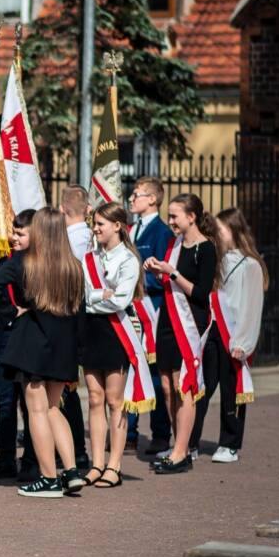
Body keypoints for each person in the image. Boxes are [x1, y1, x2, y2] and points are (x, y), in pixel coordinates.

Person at [0, 208, 85, 498]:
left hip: (33, 342)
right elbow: (82, 312)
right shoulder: (73, 266)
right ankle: (71, 470)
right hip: (63, 345)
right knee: (54, 408)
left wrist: (10, 311)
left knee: (37, 410)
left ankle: (49, 478)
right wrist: (78, 353)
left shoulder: (25, 262)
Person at [143, 193, 219, 475]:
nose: (171, 221)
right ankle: (178, 445)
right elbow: (169, 280)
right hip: (167, 319)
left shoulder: (206, 249)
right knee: (165, 384)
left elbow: (200, 293)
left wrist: (172, 273)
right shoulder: (175, 244)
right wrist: (157, 269)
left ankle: (181, 451)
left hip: (189, 321)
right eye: (170, 215)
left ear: (192, 217)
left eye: (175, 216)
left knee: (182, 384)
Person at [188, 207, 265, 463]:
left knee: (232, 390)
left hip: (233, 336)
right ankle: (190, 440)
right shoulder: (219, 260)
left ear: (232, 230)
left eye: (220, 229)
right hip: (213, 331)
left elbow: (251, 306)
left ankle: (229, 443)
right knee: (202, 386)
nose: (217, 235)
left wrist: (243, 341)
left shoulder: (250, 265)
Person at [80, 202, 147, 489]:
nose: (95, 228)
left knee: (113, 400)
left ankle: (114, 464)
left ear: (117, 226)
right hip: (91, 330)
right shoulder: (88, 258)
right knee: (94, 398)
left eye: (100, 224)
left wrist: (95, 297)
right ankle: (96, 463)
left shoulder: (128, 260)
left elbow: (120, 301)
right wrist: (99, 294)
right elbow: (82, 295)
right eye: (94, 224)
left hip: (115, 331)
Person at [0, 209, 35, 480]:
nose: (13, 237)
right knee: (5, 402)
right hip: (5, 338)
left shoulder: (39, 263)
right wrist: (10, 311)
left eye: (20, 233)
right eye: (13, 231)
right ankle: (7, 458)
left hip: (29, 341)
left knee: (30, 403)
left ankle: (33, 460)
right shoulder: (4, 261)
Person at [127, 177, 173, 453]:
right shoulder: (131, 230)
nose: (132, 198)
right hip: (129, 308)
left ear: (153, 199)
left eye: (137, 194)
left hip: (151, 310)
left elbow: (162, 275)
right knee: (129, 368)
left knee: (155, 372)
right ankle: (129, 432)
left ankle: (159, 433)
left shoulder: (161, 232)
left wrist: (136, 280)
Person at [57, 185, 92, 469]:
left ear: (62, 210)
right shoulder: (91, 237)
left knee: (65, 389)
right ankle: (74, 448)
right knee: (68, 388)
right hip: (84, 315)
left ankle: (76, 449)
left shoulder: (68, 241)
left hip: (70, 315)